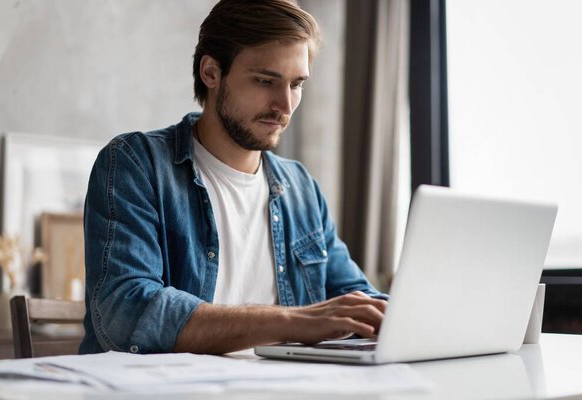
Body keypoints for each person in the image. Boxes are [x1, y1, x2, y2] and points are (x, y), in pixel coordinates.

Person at [80, 0, 388, 355]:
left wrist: (408, 314)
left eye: (297, 84)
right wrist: (294, 321)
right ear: (211, 72)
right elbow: (126, 313)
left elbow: (355, 299)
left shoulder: (301, 189)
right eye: (265, 81)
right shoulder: (137, 164)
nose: (285, 106)